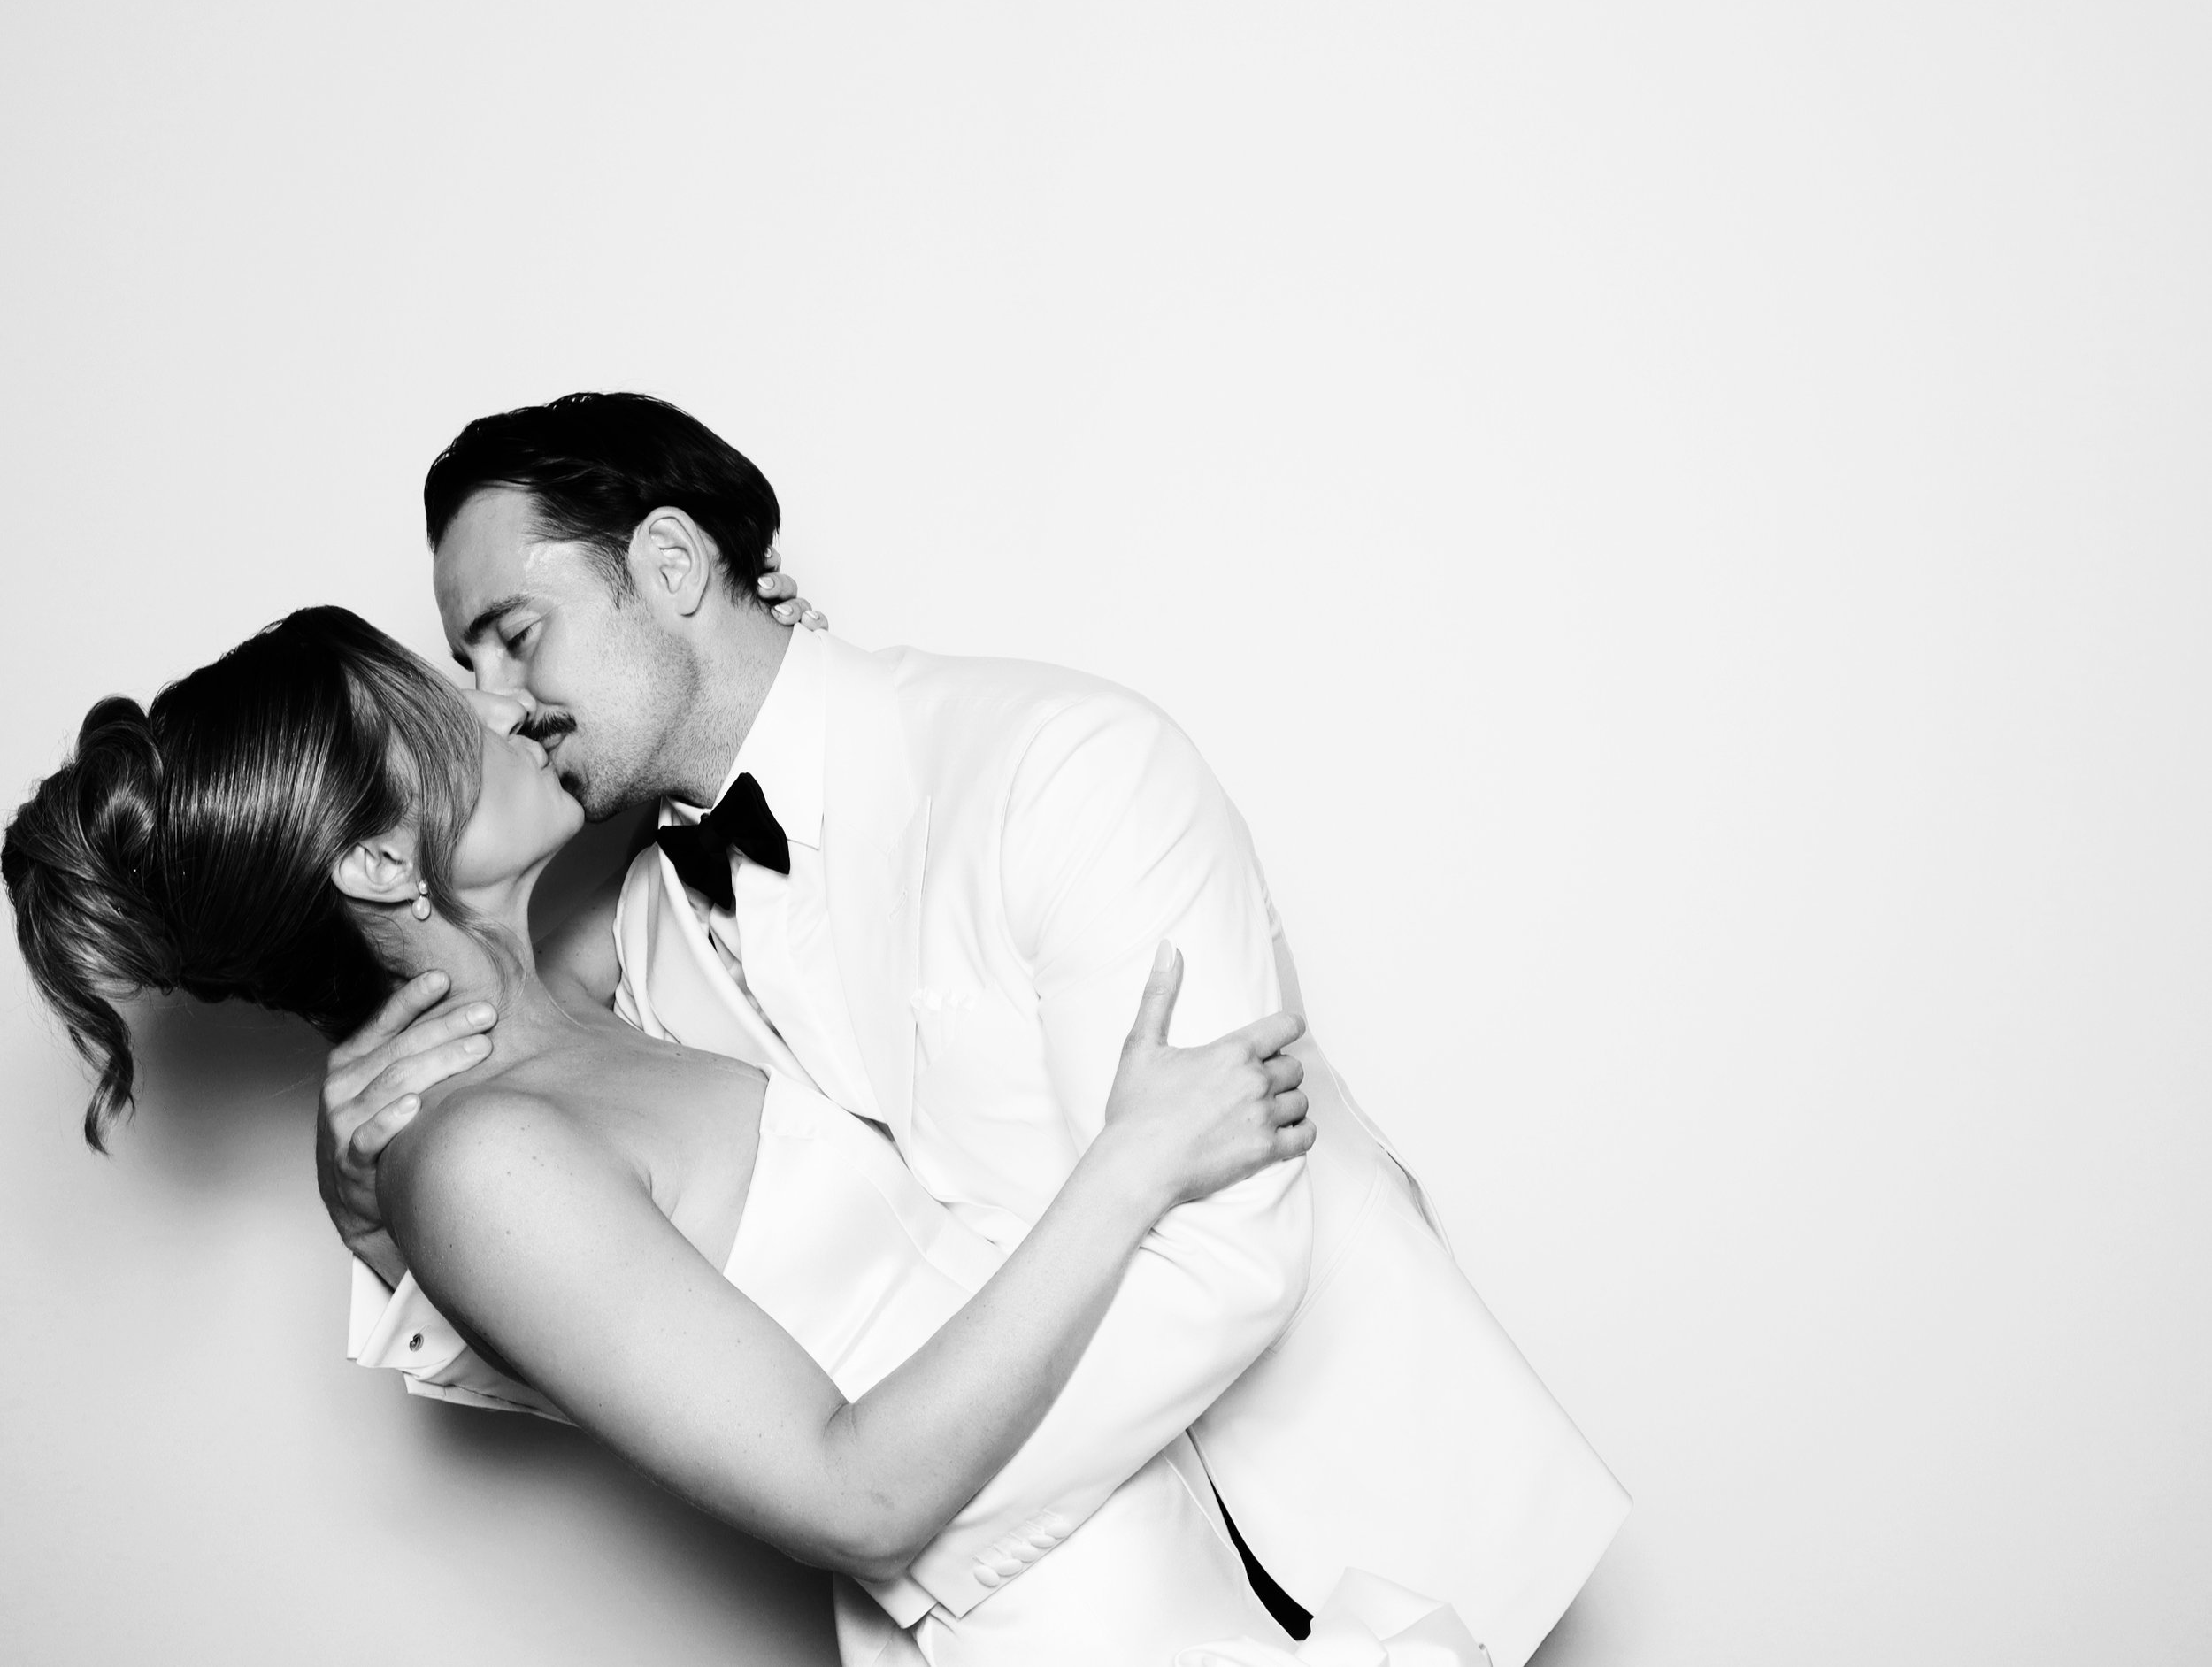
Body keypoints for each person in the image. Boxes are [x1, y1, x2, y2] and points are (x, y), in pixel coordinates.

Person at [322, 395, 1630, 1666]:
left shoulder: (1060, 766)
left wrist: (890, 1522)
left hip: (1365, 1538)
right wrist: (380, 1217)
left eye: (513, 633)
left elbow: (1231, 1254)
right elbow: (616, 1300)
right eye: (465, 666)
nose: (492, 702)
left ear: (669, 562)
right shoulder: (647, 943)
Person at [3, 606, 1325, 1666]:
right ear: (378, 867)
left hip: (1179, 1564)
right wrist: (1134, 1162)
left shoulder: (589, 1006)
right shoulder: (474, 1157)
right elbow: (852, 1497)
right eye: (442, 710)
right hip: (1057, 1628)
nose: (507, 704)